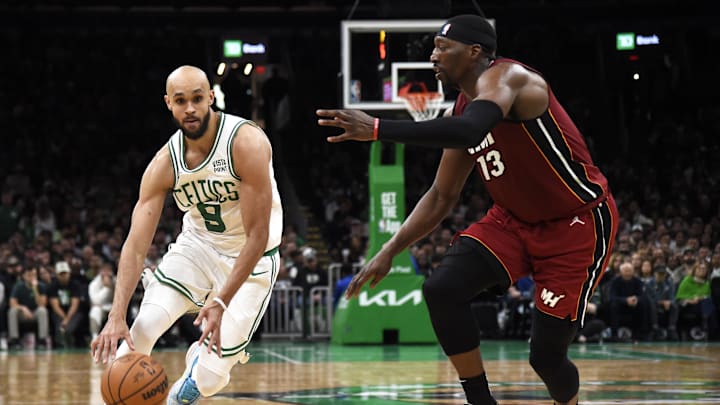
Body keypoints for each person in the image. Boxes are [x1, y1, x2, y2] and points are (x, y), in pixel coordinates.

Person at [317, 14, 618, 405]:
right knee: (442, 289)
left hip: (576, 223)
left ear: (475, 52)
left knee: (546, 358)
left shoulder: (510, 78)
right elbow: (441, 195)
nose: (433, 55)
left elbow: (472, 130)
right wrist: (390, 250)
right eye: (434, 47)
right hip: (512, 221)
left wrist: (377, 127)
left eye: (444, 47)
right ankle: (480, 401)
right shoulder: (459, 109)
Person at [90, 65, 283, 405]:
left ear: (211, 97)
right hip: (198, 246)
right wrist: (116, 315)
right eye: (181, 101)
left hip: (251, 258)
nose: (190, 108)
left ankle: (187, 384)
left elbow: (256, 235)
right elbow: (136, 247)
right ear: (169, 103)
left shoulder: (246, 142)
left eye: (197, 98)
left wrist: (221, 299)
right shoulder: (165, 163)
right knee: (143, 328)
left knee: (209, 379)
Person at [48, 260, 85, 348]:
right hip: (59, 313)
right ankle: (60, 345)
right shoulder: (53, 286)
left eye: (65, 273)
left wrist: (67, 319)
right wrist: (64, 318)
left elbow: (74, 305)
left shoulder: (75, 285)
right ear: (57, 275)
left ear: (69, 273)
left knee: (69, 329)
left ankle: (72, 343)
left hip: (74, 312)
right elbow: (55, 305)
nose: (63, 276)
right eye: (61, 274)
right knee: (59, 329)